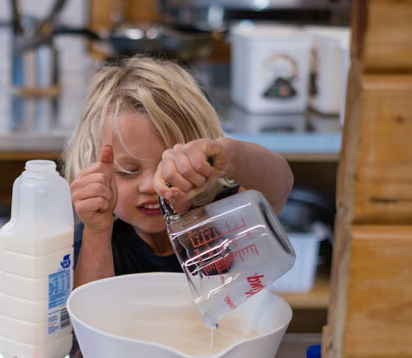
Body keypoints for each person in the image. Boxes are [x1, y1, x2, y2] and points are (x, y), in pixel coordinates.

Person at [62, 55, 294, 288]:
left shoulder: (225, 212)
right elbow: (88, 313)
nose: (152, 186)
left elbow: (281, 184)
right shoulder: (97, 232)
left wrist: (231, 156)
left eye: (174, 167)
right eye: (127, 171)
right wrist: (97, 232)